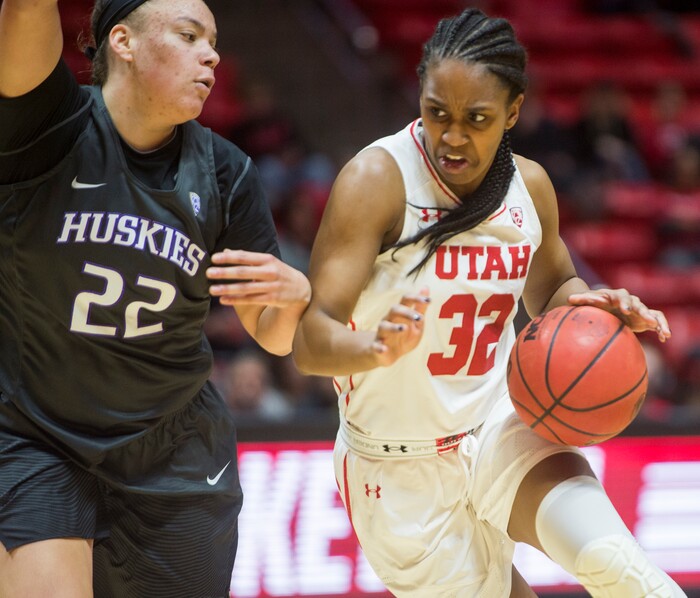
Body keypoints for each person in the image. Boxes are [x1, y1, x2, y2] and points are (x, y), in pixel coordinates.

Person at [292, 8, 684, 597]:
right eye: (436, 113)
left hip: (500, 423)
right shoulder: (376, 180)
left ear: (513, 112)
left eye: (475, 119)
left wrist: (594, 309)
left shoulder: (531, 187)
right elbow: (309, 342)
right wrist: (371, 347)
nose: (451, 136)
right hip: (397, 469)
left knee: (625, 572)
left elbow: (553, 289)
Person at [0, 0, 310, 596]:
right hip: (39, 432)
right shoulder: (47, 125)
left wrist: (293, 300)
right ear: (123, 41)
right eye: (189, 35)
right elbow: (24, 15)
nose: (212, 55)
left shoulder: (226, 172)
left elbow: (271, 332)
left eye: (214, 41)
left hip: (175, 451)